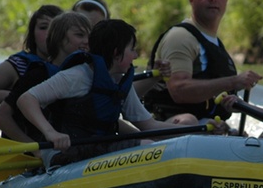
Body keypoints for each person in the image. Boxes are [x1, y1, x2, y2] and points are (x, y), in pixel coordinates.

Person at [17, 19, 189, 168]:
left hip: (99, 149)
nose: (136, 55)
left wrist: (193, 133)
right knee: (147, 147)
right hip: (65, 153)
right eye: (132, 49)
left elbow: (149, 126)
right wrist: (50, 133)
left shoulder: (119, 81)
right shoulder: (76, 76)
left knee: (155, 145)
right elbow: (26, 99)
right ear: (116, 53)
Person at [143, 0, 262, 129]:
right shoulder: (180, 37)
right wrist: (233, 82)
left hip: (208, 126)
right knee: (188, 121)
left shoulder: (215, 44)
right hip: (173, 125)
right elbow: (179, 91)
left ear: (226, 0)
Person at [0, 11, 92, 145]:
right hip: (29, 151)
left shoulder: (85, 75)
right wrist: (33, 148)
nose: (87, 41)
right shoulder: (37, 75)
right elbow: (0, 117)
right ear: (60, 38)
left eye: (89, 36)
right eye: (80, 35)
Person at [0, 4, 64, 106]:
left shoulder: (71, 67)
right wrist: (17, 96)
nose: (49, 33)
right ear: (33, 35)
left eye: (56, 28)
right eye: (43, 27)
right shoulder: (19, 65)